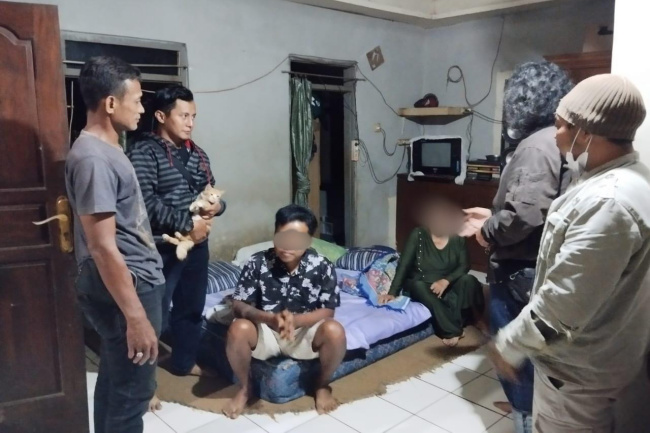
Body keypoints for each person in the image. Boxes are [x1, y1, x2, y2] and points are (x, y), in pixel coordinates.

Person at [486, 74, 650, 433]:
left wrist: (507, 345)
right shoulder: (631, 178)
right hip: (612, 359)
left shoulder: (607, 202)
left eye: (561, 125)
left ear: (586, 133)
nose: (556, 134)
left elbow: (562, 304)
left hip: (578, 376)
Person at [460, 61, 573, 433]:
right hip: (535, 265)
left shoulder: (537, 145)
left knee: (513, 348)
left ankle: (525, 414)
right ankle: (523, 405)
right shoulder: (555, 140)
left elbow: (523, 215)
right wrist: (492, 214)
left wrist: (487, 230)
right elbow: (533, 206)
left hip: (519, 270)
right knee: (526, 349)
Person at [65, 56, 165, 433]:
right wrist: (136, 317)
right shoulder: (93, 158)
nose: (142, 109)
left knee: (116, 379)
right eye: (136, 100)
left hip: (133, 280)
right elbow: (103, 247)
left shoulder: (108, 149)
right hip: (128, 286)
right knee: (133, 394)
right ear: (110, 103)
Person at [127, 85, 225, 384]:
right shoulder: (143, 152)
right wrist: (186, 224)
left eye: (193, 116)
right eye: (183, 116)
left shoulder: (198, 154)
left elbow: (210, 191)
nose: (190, 123)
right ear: (161, 116)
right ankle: (142, 382)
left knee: (191, 307)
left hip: (197, 244)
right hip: (160, 247)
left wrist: (218, 206)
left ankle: (183, 362)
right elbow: (144, 203)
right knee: (153, 313)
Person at [224, 205, 346, 419]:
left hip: (303, 333)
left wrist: (296, 321)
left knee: (335, 331)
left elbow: (328, 310)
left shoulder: (322, 265)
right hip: (266, 331)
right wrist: (268, 318)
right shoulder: (257, 262)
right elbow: (239, 305)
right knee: (238, 328)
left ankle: (322, 385)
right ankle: (244, 388)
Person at [380, 197, 484, 347]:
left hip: (448, 282)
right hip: (423, 283)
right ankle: (453, 330)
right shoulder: (418, 235)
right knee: (417, 286)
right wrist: (392, 292)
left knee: (469, 280)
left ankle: (461, 321)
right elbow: (404, 265)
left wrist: (446, 281)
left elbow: (464, 265)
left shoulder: (457, 238)